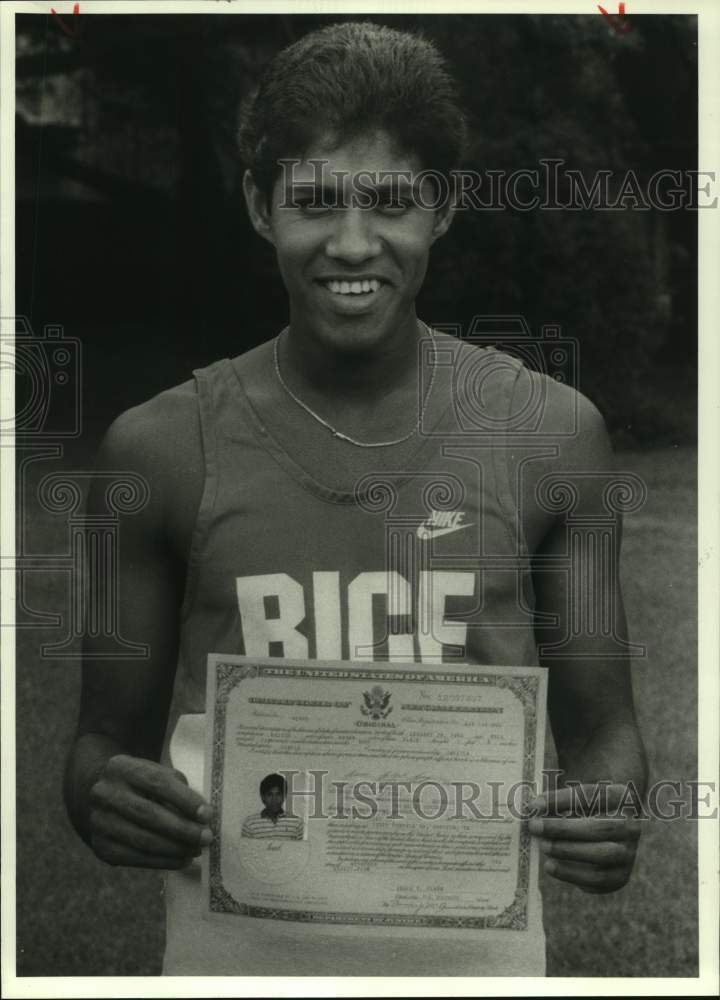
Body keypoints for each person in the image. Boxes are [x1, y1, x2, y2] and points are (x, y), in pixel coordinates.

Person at [64, 20, 647, 977]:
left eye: (389, 202)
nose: (351, 243)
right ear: (259, 203)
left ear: (444, 207)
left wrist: (609, 807)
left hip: (477, 969)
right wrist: (107, 799)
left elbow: (608, 735)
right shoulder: (161, 449)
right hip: (234, 963)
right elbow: (95, 752)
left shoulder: (550, 435)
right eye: (315, 202)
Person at [241, 774, 304, 840]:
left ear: (284, 796)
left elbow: (300, 850)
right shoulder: (250, 824)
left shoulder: (297, 823)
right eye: (269, 794)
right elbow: (246, 850)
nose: (274, 799)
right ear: (263, 797)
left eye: (278, 794)